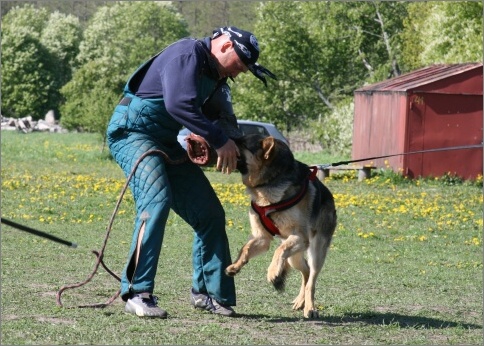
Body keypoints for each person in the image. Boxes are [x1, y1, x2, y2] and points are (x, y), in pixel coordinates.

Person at [106, 26, 276, 318]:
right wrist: (218, 140)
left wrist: (242, 155)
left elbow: (226, 127)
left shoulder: (218, 78)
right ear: (224, 46)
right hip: (131, 133)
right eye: (239, 65)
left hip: (166, 142)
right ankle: (137, 292)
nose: (238, 74)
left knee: (209, 213)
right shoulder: (186, 54)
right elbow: (178, 104)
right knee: (155, 202)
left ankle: (208, 293)